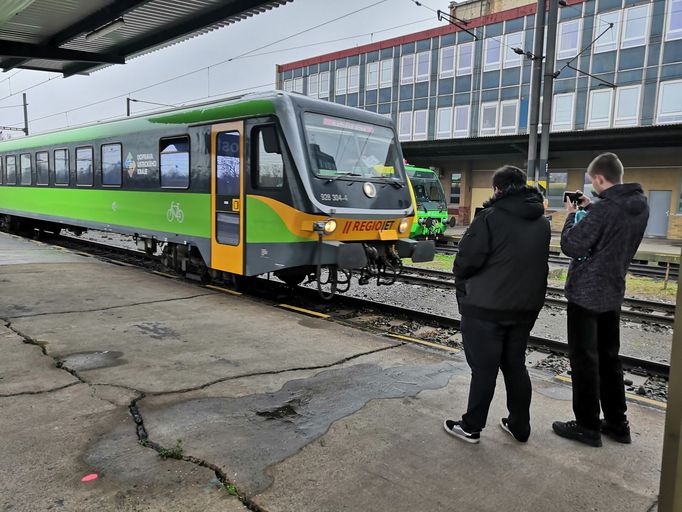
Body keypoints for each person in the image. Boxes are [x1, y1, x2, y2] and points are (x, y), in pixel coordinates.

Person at [444, 165, 550, 444]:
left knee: (484, 369)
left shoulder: (489, 218)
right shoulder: (542, 220)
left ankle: (471, 426)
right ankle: (519, 426)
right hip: (525, 308)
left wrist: (464, 290)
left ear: (497, 190)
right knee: (515, 365)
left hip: (487, 308)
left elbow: (466, 262)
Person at [552, 152, 649, 447]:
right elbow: (611, 226)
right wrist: (592, 209)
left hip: (585, 295)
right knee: (609, 359)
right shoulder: (639, 204)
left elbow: (571, 245)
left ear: (597, 179)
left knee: (584, 360)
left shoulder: (604, 211)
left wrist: (571, 216)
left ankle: (587, 426)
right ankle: (618, 423)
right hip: (612, 291)